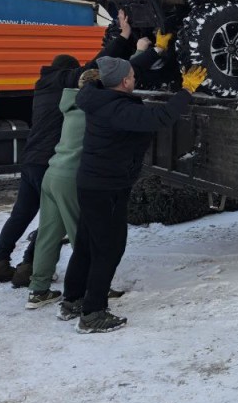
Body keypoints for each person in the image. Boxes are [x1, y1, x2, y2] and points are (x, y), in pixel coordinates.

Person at [0, 11, 137, 287]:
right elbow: (94, 67)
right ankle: (29, 267)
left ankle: (0, 261)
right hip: (50, 163)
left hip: (31, 161)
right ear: (67, 70)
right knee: (51, 221)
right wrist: (125, 38)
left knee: (21, 214)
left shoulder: (42, 85)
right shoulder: (63, 83)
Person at [59, 56, 208, 333]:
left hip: (93, 183)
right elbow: (161, 117)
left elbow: (132, 86)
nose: (135, 79)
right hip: (107, 187)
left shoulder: (98, 96)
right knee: (109, 248)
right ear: (125, 82)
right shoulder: (116, 109)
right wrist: (186, 91)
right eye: (132, 76)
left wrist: (159, 51)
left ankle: (73, 300)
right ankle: (93, 313)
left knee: (87, 244)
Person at [24, 68, 102, 309]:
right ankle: (94, 286)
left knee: (48, 235)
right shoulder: (92, 111)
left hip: (52, 174)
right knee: (82, 236)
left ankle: (39, 289)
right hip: (70, 178)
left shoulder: (71, 106)